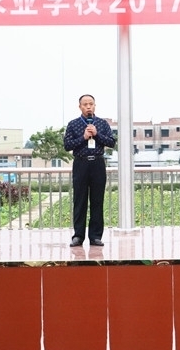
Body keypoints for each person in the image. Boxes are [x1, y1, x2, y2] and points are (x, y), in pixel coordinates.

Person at [63, 94, 116, 247]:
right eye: (85, 104)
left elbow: (111, 142)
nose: (88, 107)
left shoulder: (102, 123)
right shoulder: (73, 124)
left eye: (91, 104)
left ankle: (95, 236)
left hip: (98, 164)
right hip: (81, 163)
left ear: (95, 106)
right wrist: (84, 137)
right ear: (80, 107)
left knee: (97, 201)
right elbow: (67, 145)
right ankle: (78, 236)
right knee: (79, 200)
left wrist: (97, 134)